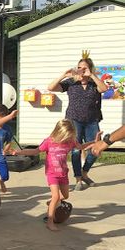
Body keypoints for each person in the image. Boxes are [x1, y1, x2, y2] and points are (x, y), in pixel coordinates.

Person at [11, 119, 95, 231]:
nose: (67, 139)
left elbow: (80, 147)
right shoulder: (49, 141)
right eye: (65, 136)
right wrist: (19, 152)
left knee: (65, 196)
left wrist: (94, 142)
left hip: (63, 174)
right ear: (58, 132)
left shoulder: (70, 142)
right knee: (56, 196)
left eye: (69, 136)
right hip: (52, 174)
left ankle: (51, 202)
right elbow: (35, 151)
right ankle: (50, 221)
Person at [48, 54, 107, 190]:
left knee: (96, 148)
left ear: (90, 69)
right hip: (74, 120)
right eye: (79, 67)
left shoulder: (94, 83)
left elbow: (104, 89)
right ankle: (78, 179)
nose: (81, 70)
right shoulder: (71, 82)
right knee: (75, 151)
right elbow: (51, 88)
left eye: (84, 68)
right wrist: (64, 75)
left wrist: (92, 75)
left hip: (92, 120)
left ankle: (85, 173)